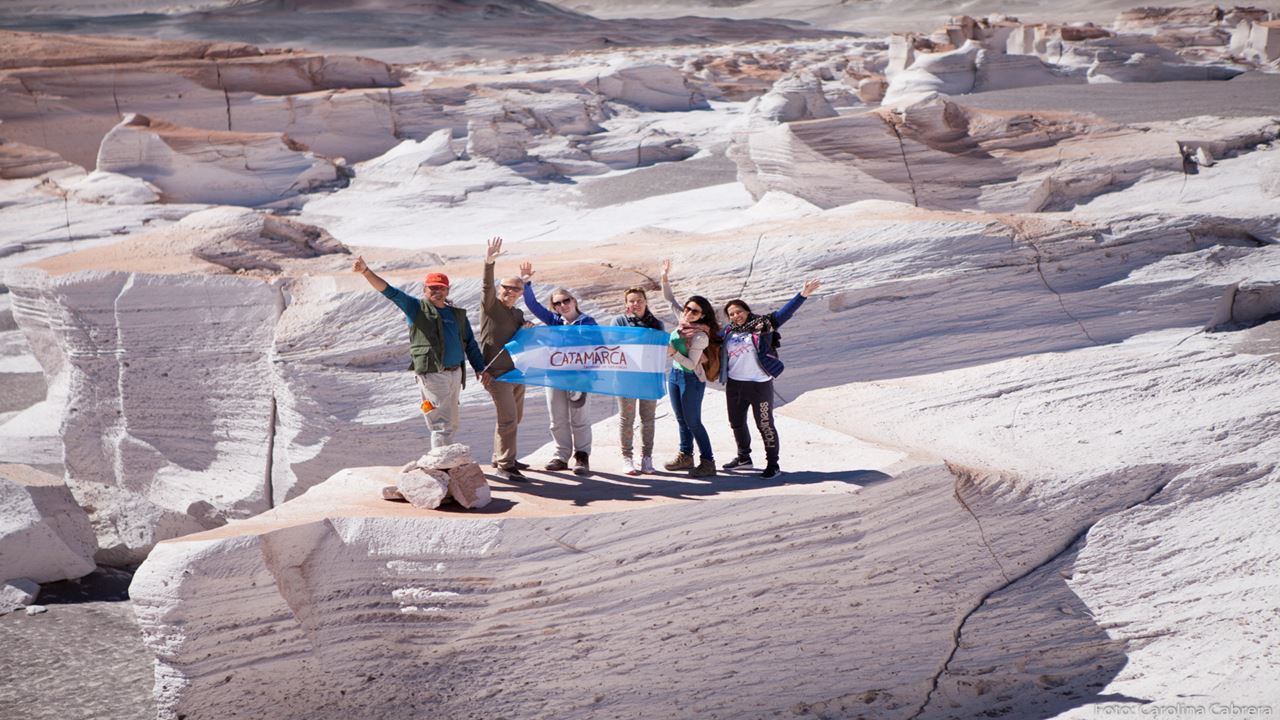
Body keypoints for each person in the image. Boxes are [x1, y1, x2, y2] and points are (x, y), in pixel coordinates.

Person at [351, 256, 488, 451]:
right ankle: (443, 464)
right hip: (433, 373)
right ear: (425, 289)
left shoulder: (457, 315)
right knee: (442, 423)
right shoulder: (416, 308)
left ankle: (444, 460)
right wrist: (366, 271)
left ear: (448, 290)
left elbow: (470, 344)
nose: (437, 291)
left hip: (456, 373)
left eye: (441, 288)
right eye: (433, 287)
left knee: (451, 421)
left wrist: (480, 368)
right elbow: (389, 291)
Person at [719, 279, 822, 480]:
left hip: (759, 384)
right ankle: (743, 458)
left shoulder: (762, 325)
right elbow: (710, 337)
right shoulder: (728, 331)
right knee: (736, 423)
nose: (736, 316)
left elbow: (783, 314)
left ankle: (773, 464)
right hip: (735, 384)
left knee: (765, 424)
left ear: (747, 310)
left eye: (739, 311)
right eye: (731, 314)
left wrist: (802, 294)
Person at [519, 261, 598, 476]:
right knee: (557, 417)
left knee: (579, 418)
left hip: (579, 378)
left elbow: (599, 349)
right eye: (558, 303)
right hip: (554, 376)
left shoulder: (588, 323)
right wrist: (526, 283)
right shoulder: (554, 321)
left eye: (566, 300)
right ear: (554, 307)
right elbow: (533, 305)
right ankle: (561, 455)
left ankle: (582, 455)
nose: (563, 305)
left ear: (574, 301)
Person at [660, 259, 718, 478]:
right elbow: (669, 299)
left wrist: (673, 352)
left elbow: (693, 364)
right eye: (688, 308)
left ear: (702, 315)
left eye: (695, 311)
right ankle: (686, 455)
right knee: (681, 418)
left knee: (693, 420)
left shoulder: (700, 336)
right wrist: (664, 276)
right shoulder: (682, 321)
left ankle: (708, 461)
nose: (688, 312)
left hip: (691, 379)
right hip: (674, 375)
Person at [479, 237, 529, 481]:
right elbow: (486, 287)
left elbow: (521, 332)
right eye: (506, 287)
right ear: (499, 289)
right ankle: (506, 465)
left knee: (514, 418)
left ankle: (501, 455)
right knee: (507, 417)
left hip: (516, 372)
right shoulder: (491, 307)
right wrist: (489, 261)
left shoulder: (517, 313)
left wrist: (527, 325)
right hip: (496, 373)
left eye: (515, 289)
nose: (510, 292)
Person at [611, 287, 665, 476]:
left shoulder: (656, 324)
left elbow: (659, 350)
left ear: (645, 301)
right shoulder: (619, 321)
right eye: (632, 301)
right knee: (627, 419)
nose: (636, 304)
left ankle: (647, 457)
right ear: (626, 304)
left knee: (648, 419)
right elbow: (614, 345)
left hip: (648, 377)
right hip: (626, 377)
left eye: (639, 300)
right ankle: (627, 458)